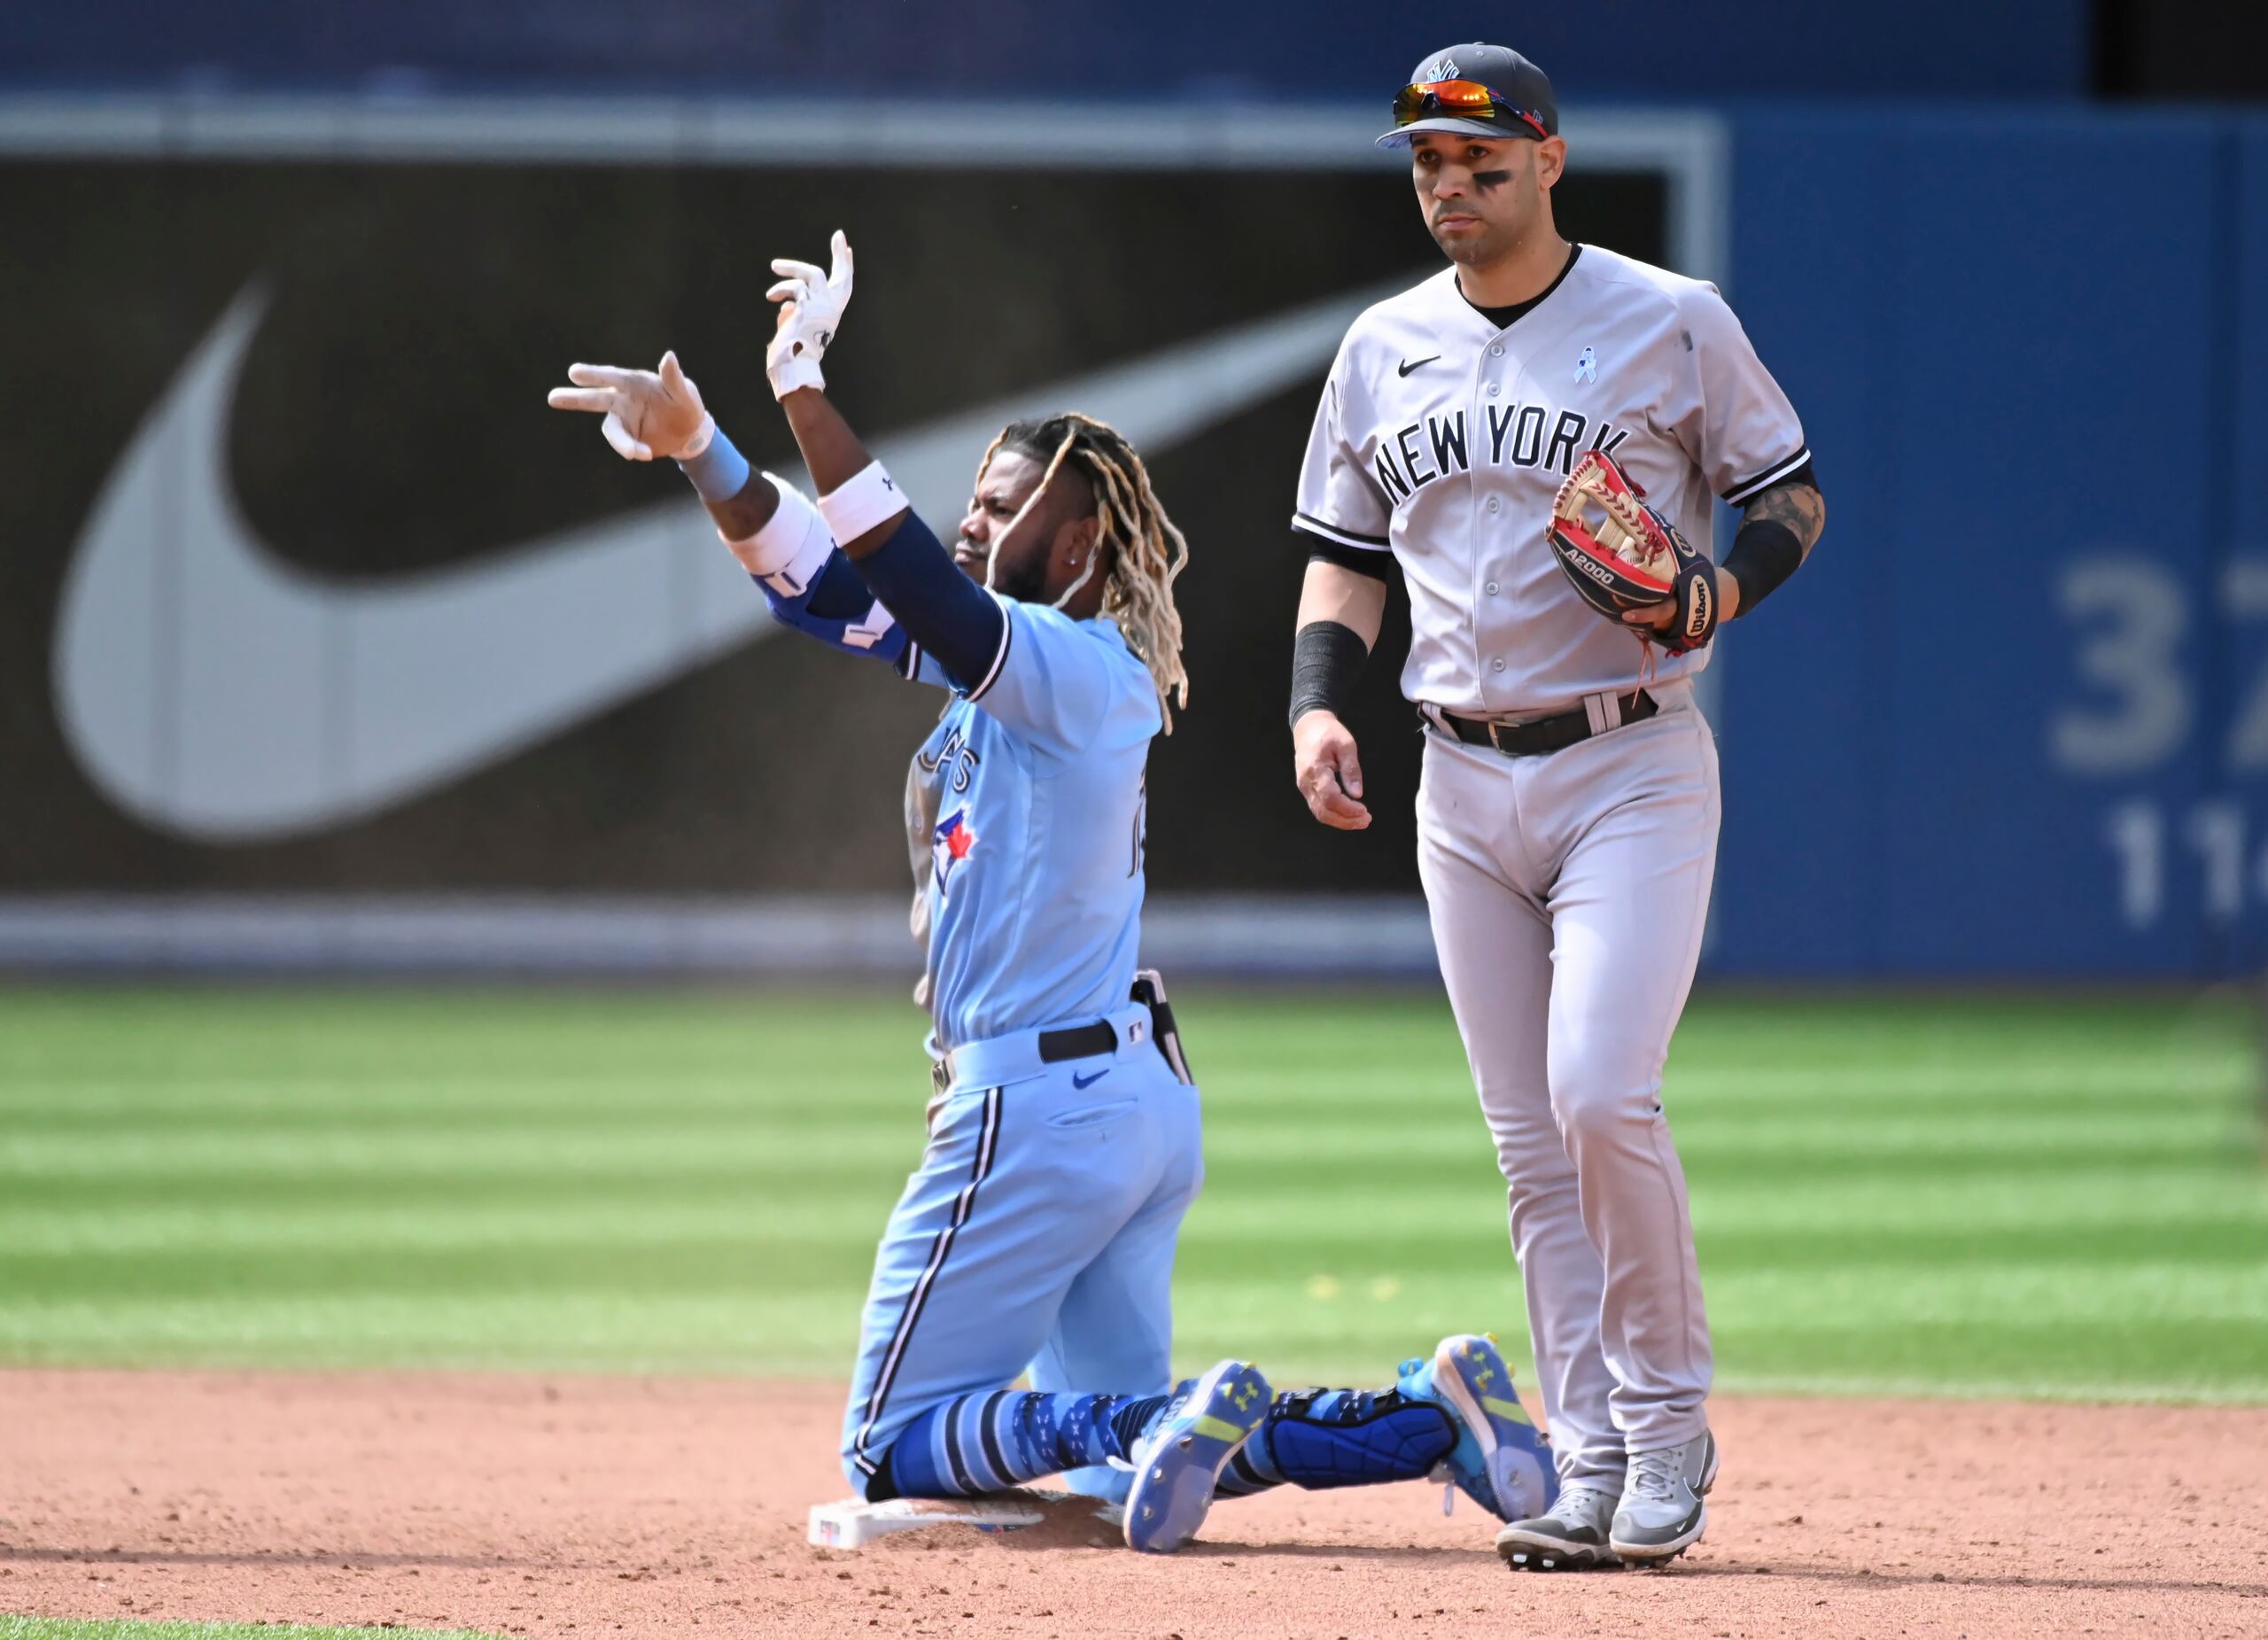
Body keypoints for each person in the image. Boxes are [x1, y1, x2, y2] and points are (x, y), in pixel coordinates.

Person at [550, 234, 1555, 1552]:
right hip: (1118, 1098)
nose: (976, 518)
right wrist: (703, 448)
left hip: (1039, 1108)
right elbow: (822, 591)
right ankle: (1432, 1415)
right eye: (975, 495)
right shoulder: (1011, 671)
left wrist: (806, 391)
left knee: (889, 1446)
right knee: (1130, 1445)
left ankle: (1131, 1422)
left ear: (1078, 540)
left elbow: (904, 572)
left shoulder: (1075, 665)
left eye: (1003, 502)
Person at [1286, 46, 1827, 1570]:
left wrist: (1719, 583)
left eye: (1478, 160)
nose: (1448, 187)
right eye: (1426, 163)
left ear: (1550, 160)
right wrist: (1318, 700)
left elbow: (1789, 493)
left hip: (1629, 758)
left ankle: (1666, 1432)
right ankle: (1586, 1459)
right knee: (1531, 1144)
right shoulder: (1382, 345)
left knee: (1602, 1094)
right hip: (1457, 775)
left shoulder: (1666, 318)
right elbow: (1347, 556)